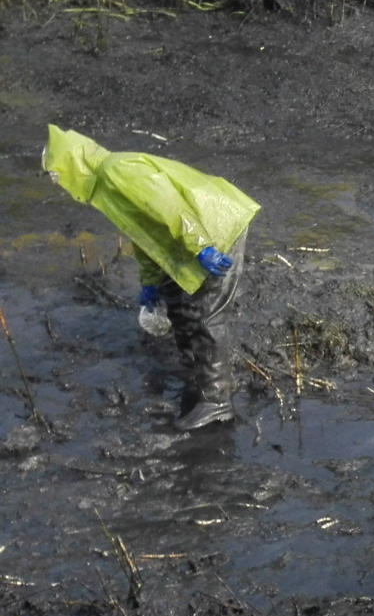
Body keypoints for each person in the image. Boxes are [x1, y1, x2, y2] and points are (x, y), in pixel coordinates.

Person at [42, 124, 259, 430]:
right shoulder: (106, 183)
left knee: (208, 314)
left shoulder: (118, 170)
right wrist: (149, 282)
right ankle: (197, 375)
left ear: (72, 163)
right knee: (177, 301)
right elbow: (144, 232)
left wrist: (201, 247)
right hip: (198, 230)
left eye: (57, 173)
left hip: (215, 227)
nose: (58, 182)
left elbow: (167, 204)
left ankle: (218, 402)